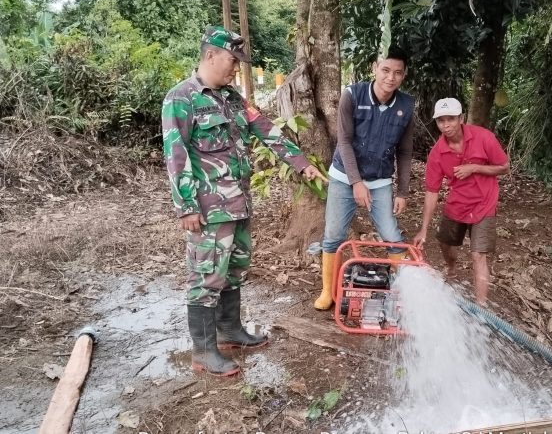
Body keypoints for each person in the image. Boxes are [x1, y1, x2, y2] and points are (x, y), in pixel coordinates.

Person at [162, 26, 326, 376]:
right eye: (232, 60)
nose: (236, 67)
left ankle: (230, 331)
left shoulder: (233, 98)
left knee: (234, 271)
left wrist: (301, 165)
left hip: (238, 204)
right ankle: (203, 352)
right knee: (206, 277)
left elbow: (266, 129)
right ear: (210, 55)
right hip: (207, 210)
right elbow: (176, 157)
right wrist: (186, 207)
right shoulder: (182, 98)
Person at [313, 47, 415, 310]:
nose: (390, 78)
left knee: (392, 236)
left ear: (403, 76)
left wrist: (402, 192)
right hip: (343, 177)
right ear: (374, 68)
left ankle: (402, 293)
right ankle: (328, 291)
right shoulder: (352, 95)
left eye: (397, 73)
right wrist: (356, 182)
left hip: (380, 180)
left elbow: (405, 152)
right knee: (333, 234)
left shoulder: (406, 105)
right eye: (385, 70)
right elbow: (344, 141)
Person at [412, 98, 509, 306]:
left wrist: (474, 168)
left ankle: (481, 306)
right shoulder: (437, 153)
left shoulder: (484, 138)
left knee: (478, 254)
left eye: (451, 119)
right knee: (445, 242)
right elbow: (432, 191)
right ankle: (452, 266)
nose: (446, 125)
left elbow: (504, 166)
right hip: (458, 202)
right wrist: (424, 229)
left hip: (484, 202)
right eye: (441, 121)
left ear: (461, 119)